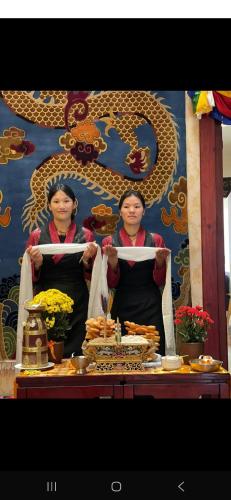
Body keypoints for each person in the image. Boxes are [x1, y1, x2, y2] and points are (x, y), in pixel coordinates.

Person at [26, 183, 97, 357]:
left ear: (74, 203)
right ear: (49, 205)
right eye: (56, 201)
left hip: (78, 302)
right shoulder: (37, 235)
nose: (61, 206)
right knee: (48, 355)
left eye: (66, 201)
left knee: (77, 353)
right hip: (46, 303)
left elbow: (91, 275)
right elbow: (30, 277)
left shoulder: (86, 235)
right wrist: (37, 263)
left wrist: (88, 260)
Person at [102, 189, 169, 355]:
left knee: (153, 354)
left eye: (137, 206)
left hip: (151, 304)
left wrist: (160, 263)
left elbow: (161, 282)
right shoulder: (110, 242)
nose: (132, 210)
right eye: (126, 206)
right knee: (122, 356)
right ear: (120, 211)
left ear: (143, 211)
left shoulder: (156, 240)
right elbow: (110, 284)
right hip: (122, 304)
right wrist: (112, 263)